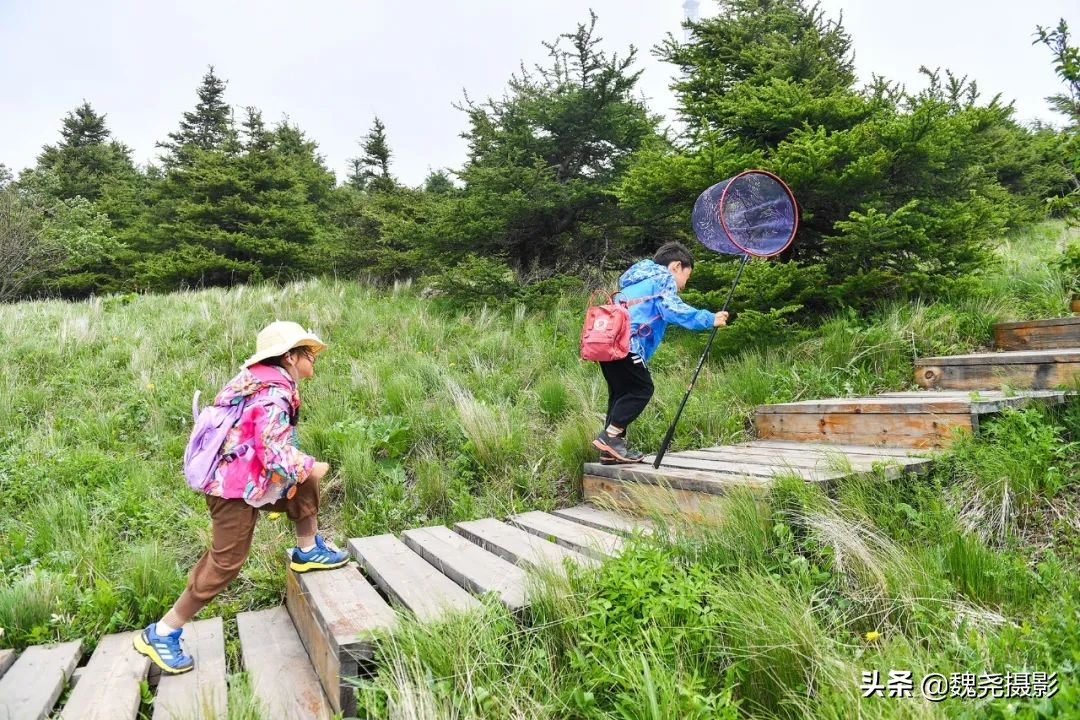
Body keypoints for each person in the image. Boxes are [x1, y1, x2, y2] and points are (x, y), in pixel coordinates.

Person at [134, 321, 348, 675]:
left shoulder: (264, 381)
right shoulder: (271, 394)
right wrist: (312, 465)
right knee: (226, 562)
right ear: (291, 357)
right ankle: (162, 632)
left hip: (249, 479)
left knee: (305, 476)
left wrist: (304, 468)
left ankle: (307, 551)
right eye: (308, 353)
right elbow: (271, 449)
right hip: (232, 490)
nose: (314, 359)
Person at [593, 242, 728, 463]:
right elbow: (672, 310)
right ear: (676, 266)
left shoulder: (634, 282)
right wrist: (709, 318)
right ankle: (610, 437)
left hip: (608, 346)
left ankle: (611, 451)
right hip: (629, 346)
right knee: (642, 389)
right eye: (687, 275)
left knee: (621, 394)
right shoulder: (662, 279)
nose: (685, 284)